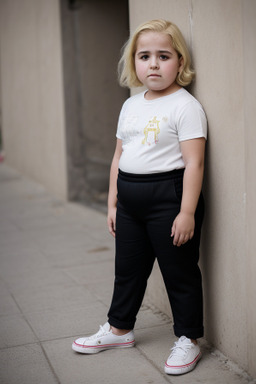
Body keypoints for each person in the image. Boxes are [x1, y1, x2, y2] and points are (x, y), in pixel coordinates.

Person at [72, 19, 207, 376]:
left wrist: (187, 212)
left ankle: (189, 339)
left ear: (179, 61)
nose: (153, 64)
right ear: (134, 62)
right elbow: (119, 156)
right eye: (144, 56)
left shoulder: (185, 105)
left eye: (163, 56)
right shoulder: (131, 105)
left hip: (170, 198)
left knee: (179, 273)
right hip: (130, 200)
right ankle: (119, 328)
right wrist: (113, 202)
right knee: (127, 270)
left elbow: (194, 163)